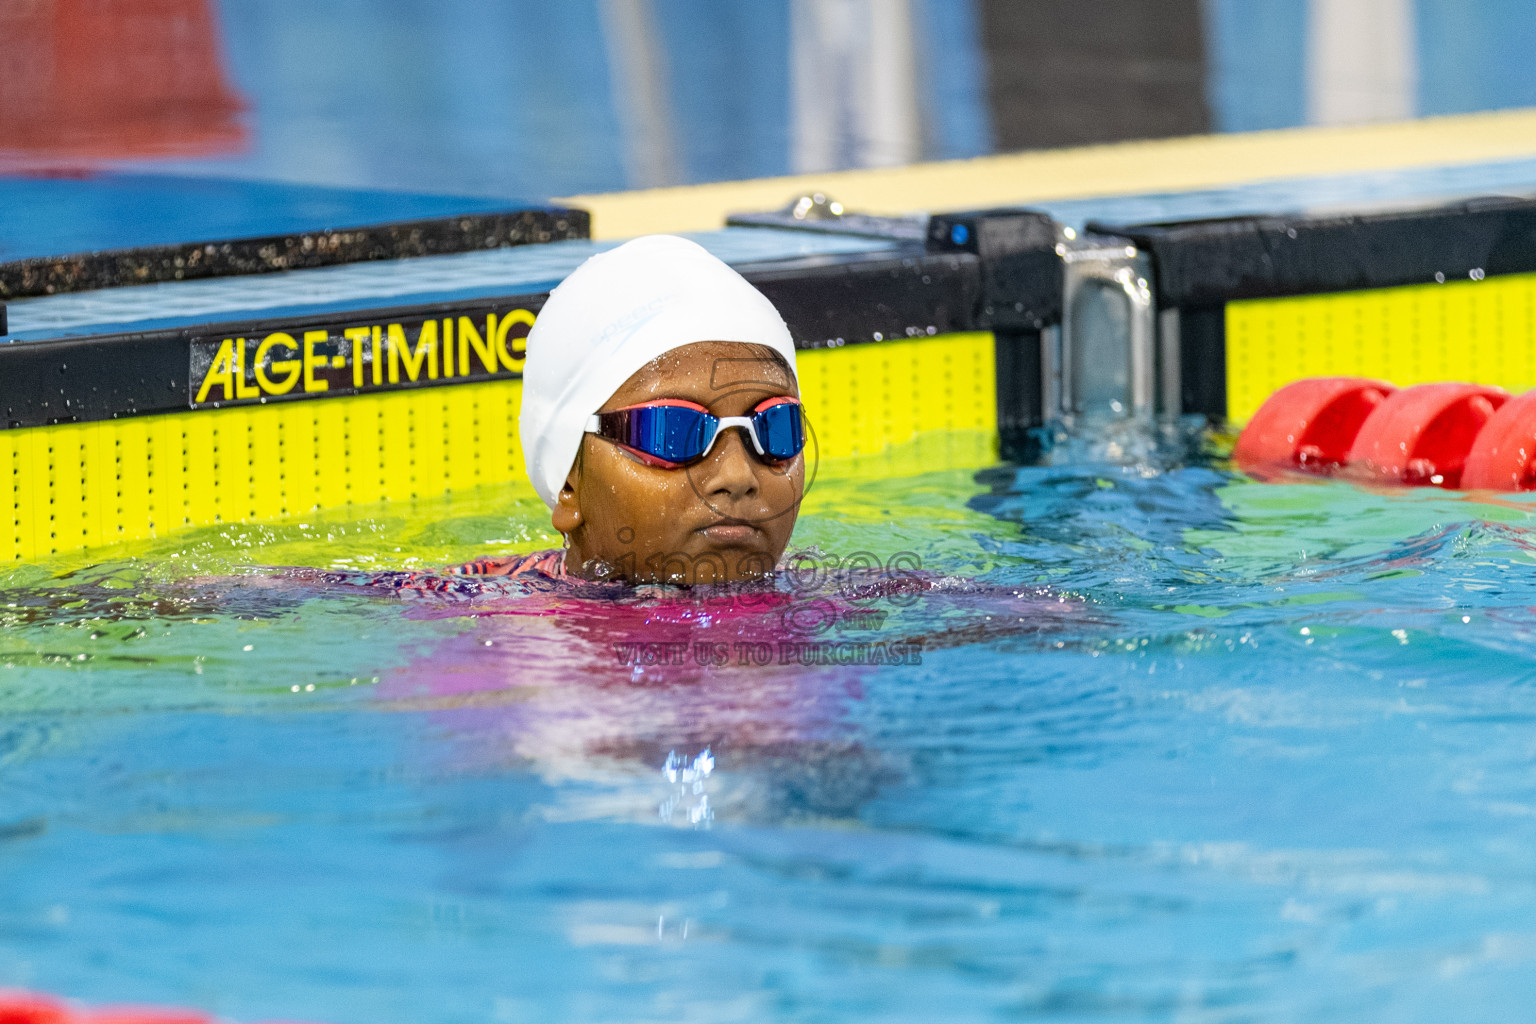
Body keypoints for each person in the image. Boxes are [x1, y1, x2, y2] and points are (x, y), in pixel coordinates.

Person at [449, 234, 806, 585]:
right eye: (673, 431)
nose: (738, 476)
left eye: (775, 428)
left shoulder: (843, 603)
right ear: (569, 484)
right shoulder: (474, 614)